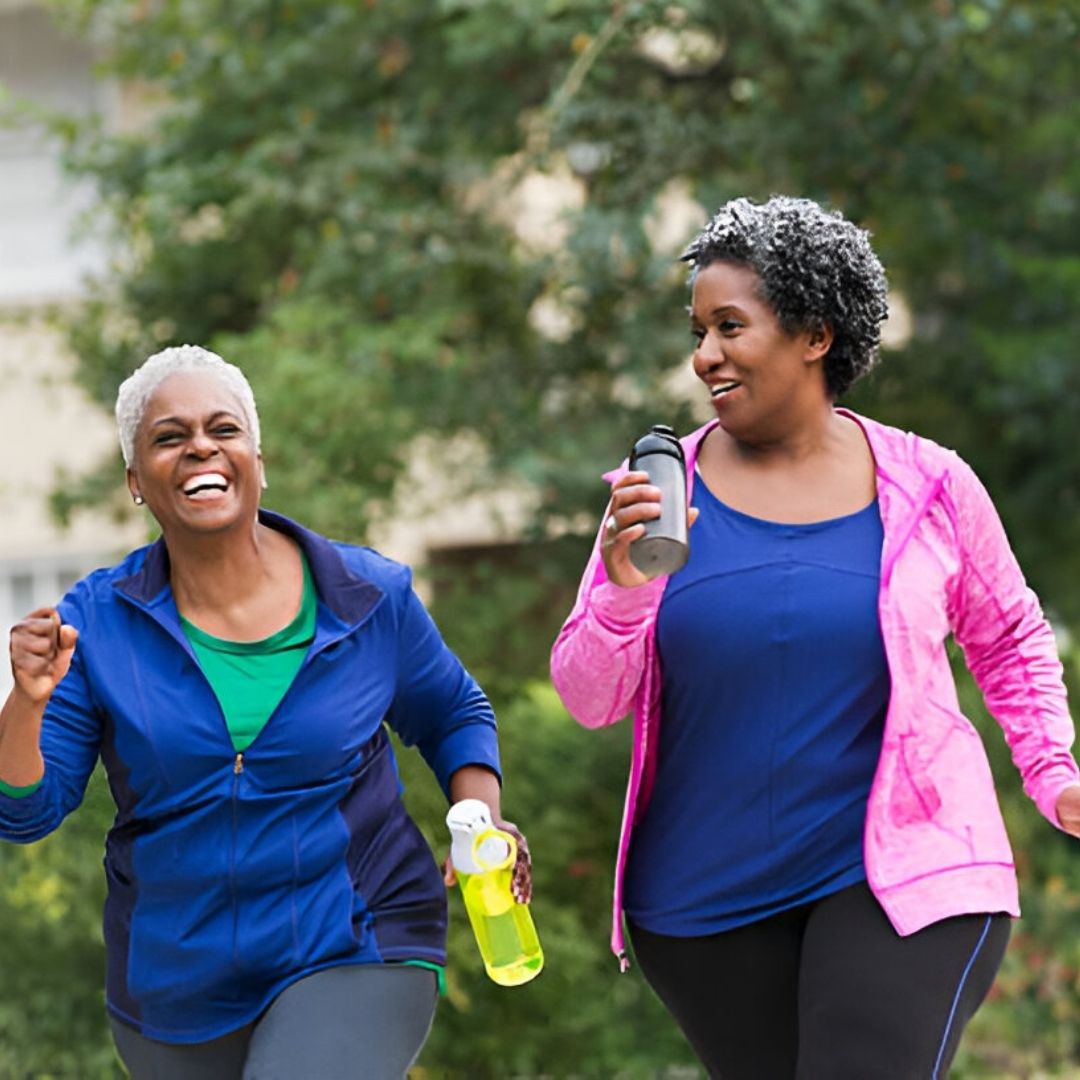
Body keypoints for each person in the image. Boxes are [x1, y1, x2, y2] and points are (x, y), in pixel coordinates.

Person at [550, 195, 1080, 1079]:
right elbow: (588, 697)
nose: (703, 355)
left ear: (815, 334)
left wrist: (1054, 769)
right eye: (697, 330)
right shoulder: (655, 495)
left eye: (729, 326)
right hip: (702, 905)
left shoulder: (932, 486)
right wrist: (623, 587)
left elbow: (1009, 634)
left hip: (903, 876)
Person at [0, 344, 531, 1080]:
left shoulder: (366, 596)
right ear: (135, 481)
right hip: (173, 985)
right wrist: (25, 704)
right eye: (168, 437)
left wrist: (481, 814)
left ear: (257, 457)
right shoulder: (96, 622)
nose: (200, 449)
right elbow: (26, 810)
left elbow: (452, 711)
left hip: (357, 936)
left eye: (224, 429)